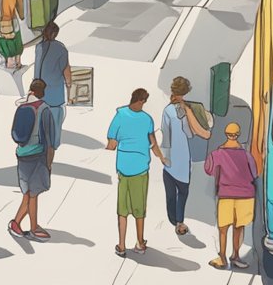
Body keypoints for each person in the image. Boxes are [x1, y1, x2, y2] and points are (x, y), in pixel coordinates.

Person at [106, 88, 164, 257]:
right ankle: (140, 242)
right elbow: (153, 144)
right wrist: (161, 158)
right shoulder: (147, 119)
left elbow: (111, 144)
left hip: (124, 169)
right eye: (143, 102)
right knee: (139, 209)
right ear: (140, 101)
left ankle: (122, 245)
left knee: (122, 210)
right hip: (140, 169)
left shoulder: (120, 115)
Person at [9, 79, 59, 241]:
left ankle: (16, 223)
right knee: (34, 193)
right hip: (38, 155)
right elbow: (50, 140)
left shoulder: (22, 107)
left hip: (22, 154)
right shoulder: (45, 110)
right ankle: (33, 228)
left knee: (28, 193)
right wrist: (49, 163)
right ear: (43, 92)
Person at [205, 122, 258, 270]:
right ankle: (235, 255)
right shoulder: (247, 155)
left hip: (226, 195)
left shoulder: (217, 154)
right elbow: (254, 173)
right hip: (246, 195)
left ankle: (222, 257)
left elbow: (208, 169)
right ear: (238, 135)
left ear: (226, 134)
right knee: (239, 227)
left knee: (223, 228)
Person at [161, 77, 210, 236]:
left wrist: (165, 157)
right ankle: (179, 222)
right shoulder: (185, 110)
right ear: (184, 93)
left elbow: (165, 135)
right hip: (183, 158)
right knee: (183, 192)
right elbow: (189, 134)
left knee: (170, 194)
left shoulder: (167, 111)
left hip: (170, 158)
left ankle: (173, 219)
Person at [34, 21, 72, 148]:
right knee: (56, 119)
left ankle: (42, 142)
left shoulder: (39, 47)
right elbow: (66, 70)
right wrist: (69, 85)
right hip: (55, 91)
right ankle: (54, 144)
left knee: (40, 118)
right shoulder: (61, 49)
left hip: (38, 90)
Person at [0, 0, 25, 69]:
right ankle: (17, 62)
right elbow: (20, 5)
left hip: (2, 20)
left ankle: (9, 62)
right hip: (12, 19)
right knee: (16, 39)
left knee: (5, 39)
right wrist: (21, 16)